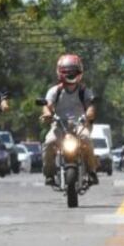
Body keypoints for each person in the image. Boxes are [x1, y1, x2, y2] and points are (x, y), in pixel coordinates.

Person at [41, 54, 98, 186]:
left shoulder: (84, 91)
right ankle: (49, 174)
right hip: (59, 124)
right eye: (67, 72)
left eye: (74, 71)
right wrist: (47, 114)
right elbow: (47, 106)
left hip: (80, 124)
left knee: (87, 140)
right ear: (60, 73)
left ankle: (91, 172)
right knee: (49, 142)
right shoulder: (54, 91)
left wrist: (89, 114)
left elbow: (90, 106)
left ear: (80, 72)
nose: (71, 74)